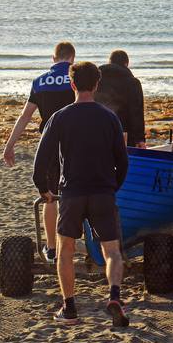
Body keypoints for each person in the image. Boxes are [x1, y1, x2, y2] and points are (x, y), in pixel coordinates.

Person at [33, 61, 130, 326]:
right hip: (102, 192)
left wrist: (45, 190)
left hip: (72, 192)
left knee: (65, 250)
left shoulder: (60, 117)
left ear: (72, 85)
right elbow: (123, 161)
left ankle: (70, 308)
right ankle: (114, 296)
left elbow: (41, 162)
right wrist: (113, 186)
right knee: (111, 251)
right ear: (97, 85)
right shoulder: (109, 117)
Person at [3, 41, 76, 263]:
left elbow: (26, 116)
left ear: (53, 59)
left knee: (50, 196)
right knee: (80, 190)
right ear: (72, 58)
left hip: (49, 142)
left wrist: (10, 144)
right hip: (76, 140)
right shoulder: (77, 77)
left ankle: (52, 248)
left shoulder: (40, 81)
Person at [95, 49, 146, 148]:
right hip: (123, 133)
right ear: (126, 63)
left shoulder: (96, 79)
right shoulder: (133, 83)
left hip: (98, 130)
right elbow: (136, 112)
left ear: (109, 62)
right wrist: (139, 139)